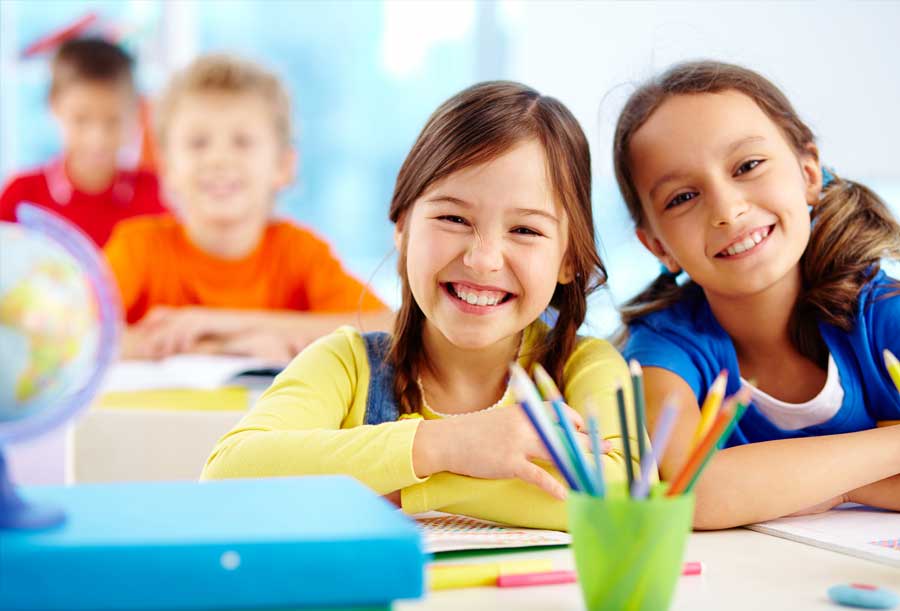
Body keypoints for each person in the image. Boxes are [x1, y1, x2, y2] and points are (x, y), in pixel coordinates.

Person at [202, 81, 644, 530]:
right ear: (403, 229)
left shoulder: (584, 367)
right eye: (453, 218)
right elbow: (228, 474)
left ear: (568, 259)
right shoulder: (348, 365)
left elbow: (624, 492)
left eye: (525, 231)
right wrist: (446, 444)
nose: (483, 259)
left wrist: (415, 486)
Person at [614, 60, 900, 529]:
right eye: (682, 197)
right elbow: (692, 490)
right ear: (659, 246)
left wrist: (780, 483)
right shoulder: (663, 349)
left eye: (747, 166)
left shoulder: (883, 314)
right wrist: (860, 475)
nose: (727, 209)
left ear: (809, 173)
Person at [104, 54, 391, 361]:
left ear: (283, 165)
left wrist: (226, 324)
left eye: (242, 142)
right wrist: (220, 348)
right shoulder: (138, 247)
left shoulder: (300, 253)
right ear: (168, 167)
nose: (219, 158)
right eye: (198, 143)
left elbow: (391, 329)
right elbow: (77, 333)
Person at [0, 37, 165, 246]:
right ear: (54, 105)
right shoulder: (21, 197)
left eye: (112, 120)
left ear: (136, 110)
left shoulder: (156, 195)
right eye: (81, 119)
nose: (97, 138)